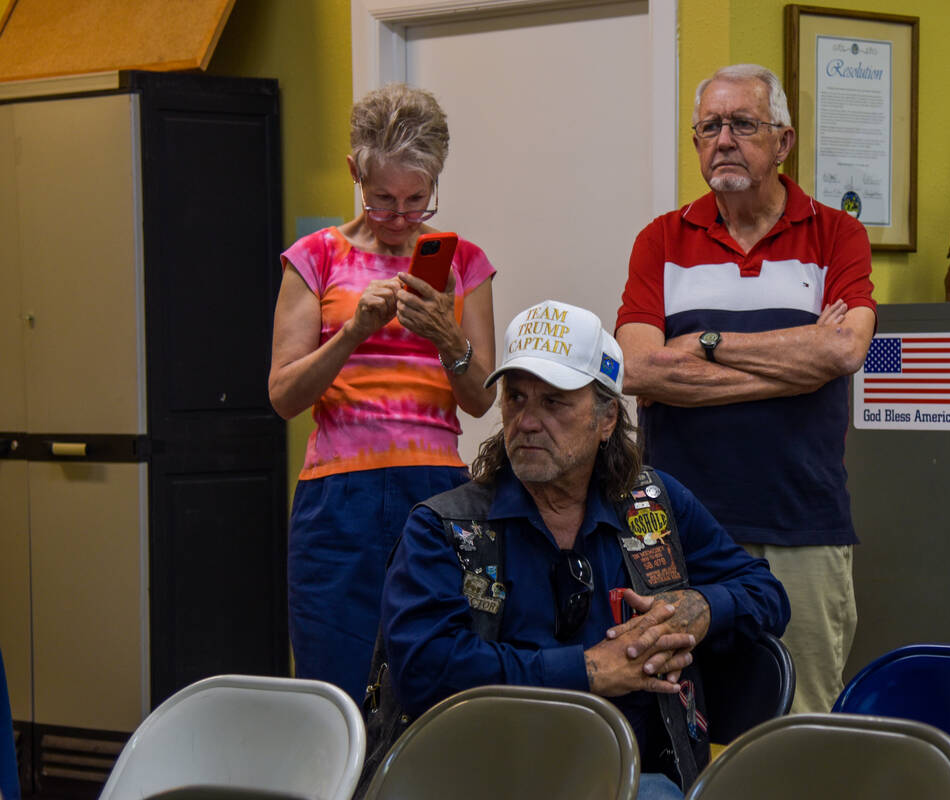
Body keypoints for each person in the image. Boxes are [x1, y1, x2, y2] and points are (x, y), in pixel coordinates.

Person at [380, 300, 788, 799]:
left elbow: (765, 592)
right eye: (516, 399)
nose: (527, 421)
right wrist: (590, 671)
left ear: (607, 418)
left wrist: (699, 608)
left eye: (554, 403)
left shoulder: (652, 502)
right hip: (481, 776)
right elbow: (428, 670)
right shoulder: (444, 525)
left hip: (629, 777)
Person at [616, 64, 876, 714]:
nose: (723, 140)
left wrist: (704, 345)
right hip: (675, 528)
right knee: (677, 711)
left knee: (803, 726)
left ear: (782, 141)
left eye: (743, 124)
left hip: (804, 521)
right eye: (710, 127)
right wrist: (797, 364)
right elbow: (638, 370)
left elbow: (844, 348)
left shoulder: (836, 235)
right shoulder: (661, 240)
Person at [268, 83, 497, 699]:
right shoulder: (314, 258)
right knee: (333, 685)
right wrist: (352, 334)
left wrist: (449, 338)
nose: (400, 220)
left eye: (417, 201)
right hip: (337, 496)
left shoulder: (464, 262)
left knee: (441, 678)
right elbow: (284, 395)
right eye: (382, 201)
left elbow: (481, 399)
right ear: (354, 174)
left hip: (436, 492)